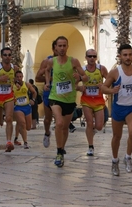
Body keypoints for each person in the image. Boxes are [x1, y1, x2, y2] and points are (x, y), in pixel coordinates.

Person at [101, 44, 132, 176]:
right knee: (117, 136)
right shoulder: (115, 72)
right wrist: (111, 90)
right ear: (120, 56)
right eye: (125, 55)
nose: (128, 57)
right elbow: (103, 88)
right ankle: (115, 160)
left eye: (130, 54)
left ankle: (128, 157)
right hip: (119, 107)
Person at [44, 36, 88, 167]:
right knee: (59, 122)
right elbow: (46, 70)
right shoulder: (51, 61)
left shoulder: (73, 61)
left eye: (64, 46)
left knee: (64, 127)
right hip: (55, 97)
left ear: (67, 47)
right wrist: (47, 82)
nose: (62, 48)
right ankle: (58, 152)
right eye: (59, 46)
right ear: (55, 47)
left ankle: (62, 148)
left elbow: (85, 77)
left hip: (69, 99)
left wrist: (79, 77)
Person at [77, 49, 108, 156]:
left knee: (99, 126)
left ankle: (91, 131)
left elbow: (110, 81)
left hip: (99, 100)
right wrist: (80, 88)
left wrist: (103, 86)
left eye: (94, 56)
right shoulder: (82, 69)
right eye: (89, 56)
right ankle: (90, 146)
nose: (92, 58)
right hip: (86, 100)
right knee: (89, 123)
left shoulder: (102, 69)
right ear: (86, 57)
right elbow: (73, 84)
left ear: (96, 58)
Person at [36, 40, 57, 149]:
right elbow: (37, 77)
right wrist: (50, 79)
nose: (60, 49)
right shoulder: (47, 61)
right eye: (58, 47)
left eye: (63, 46)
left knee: (60, 117)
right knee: (48, 119)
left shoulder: (68, 61)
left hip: (61, 92)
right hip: (49, 91)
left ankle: (60, 146)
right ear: (53, 49)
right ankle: (47, 133)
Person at [12, 71, 37, 149]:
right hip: (17, 107)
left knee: (28, 127)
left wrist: (32, 100)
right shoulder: (12, 86)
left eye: (20, 76)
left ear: (22, 77)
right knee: (22, 123)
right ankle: (25, 142)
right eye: (17, 77)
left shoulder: (27, 84)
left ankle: (17, 137)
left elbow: (34, 92)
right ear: (15, 77)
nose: (19, 78)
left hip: (27, 107)